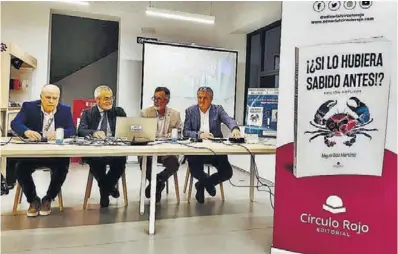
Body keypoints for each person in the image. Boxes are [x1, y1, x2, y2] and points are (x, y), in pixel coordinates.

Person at [11, 84, 75, 217]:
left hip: (55, 154)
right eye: (48, 97)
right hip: (33, 152)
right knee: (20, 167)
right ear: (41, 97)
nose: (51, 101)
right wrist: (26, 131)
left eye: (55, 98)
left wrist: (60, 132)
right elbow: (15, 123)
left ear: (59, 98)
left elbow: (72, 129)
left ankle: (49, 198)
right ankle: (33, 199)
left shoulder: (65, 110)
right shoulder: (29, 107)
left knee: (63, 165)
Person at [183, 86, 241, 203]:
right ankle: (205, 183)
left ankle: (202, 185)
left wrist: (234, 128)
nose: (201, 101)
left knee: (227, 172)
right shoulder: (190, 110)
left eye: (205, 98)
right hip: (196, 149)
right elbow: (186, 131)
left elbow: (228, 119)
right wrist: (199, 134)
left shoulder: (217, 109)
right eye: (199, 97)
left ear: (211, 99)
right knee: (195, 169)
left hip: (215, 150)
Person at [78, 85, 126, 208]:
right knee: (96, 162)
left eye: (111, 98)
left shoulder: (118, 111)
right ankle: (109, 188)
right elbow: (81, 130)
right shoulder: (88, 113)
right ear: (97, 100)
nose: (110, 101)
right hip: (95, 150)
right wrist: (93, 133)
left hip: (115, 149)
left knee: (120, 161)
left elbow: (126, 129)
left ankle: (105, 189)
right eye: (106, 98)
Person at [139, 87, 181, 202]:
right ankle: (158, 185)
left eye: (159, 99)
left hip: (167, 150)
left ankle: (158, 181)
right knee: (143, 161)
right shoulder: (145, 113)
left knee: (174, 163)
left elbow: (180, 132)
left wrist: (173, 135)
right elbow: (141, 133)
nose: (156, 101)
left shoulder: (175, 115)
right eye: (154, 98)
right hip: (149, 149)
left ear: (166, 100)